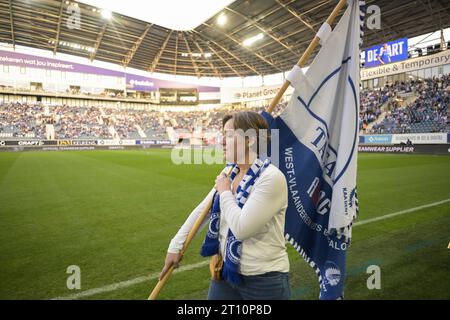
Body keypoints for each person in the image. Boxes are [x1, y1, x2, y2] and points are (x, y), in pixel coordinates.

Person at [159, 111, 290, 300]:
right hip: (225, 272)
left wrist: (225, 191)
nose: (221, 141)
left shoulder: (271, 178)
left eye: (228, 135)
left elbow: (242, 229)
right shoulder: (230, 171)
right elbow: (203, 210)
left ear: (250, 140)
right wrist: (175, 245)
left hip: (264, 281)